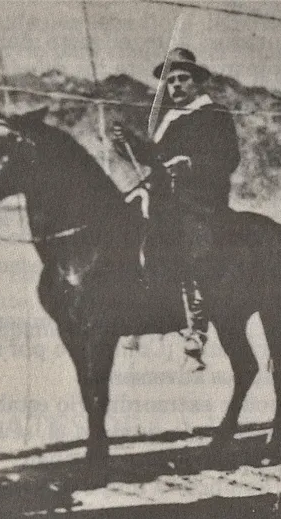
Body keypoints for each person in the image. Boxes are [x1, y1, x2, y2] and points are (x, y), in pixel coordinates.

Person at [111, 47, 240, 365]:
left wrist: (191, 163)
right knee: (125, 229)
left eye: (183, 79)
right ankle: (137, 311)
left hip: (200, 200)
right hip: (164, 198)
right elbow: (154, 157)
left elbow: (229, 158)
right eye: (171, 82)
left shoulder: (214, 115)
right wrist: (126, 141)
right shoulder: (169, 118)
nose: (176, 86)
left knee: (188, 245)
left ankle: (197, 327)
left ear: (197, 83)